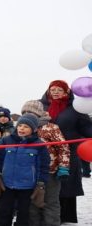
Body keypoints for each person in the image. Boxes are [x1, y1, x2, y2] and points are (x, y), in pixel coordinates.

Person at [40, 80, 92, 223]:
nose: (55, 92)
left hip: (68, 154)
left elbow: (87, 129)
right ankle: (44, 217)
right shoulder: (41, 106)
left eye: (59, 90)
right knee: (45, 186)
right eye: (53, 89)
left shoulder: (75, 108)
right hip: (44, 153)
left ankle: (65, 218)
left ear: (67, 92)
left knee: (66, 186)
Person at [0, 113, 50, 226]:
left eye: (26, 126)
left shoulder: (39, 145)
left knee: (24, 214)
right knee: (4, 211)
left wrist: (41, 183)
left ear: (33, 129)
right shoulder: (6, 140)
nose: (21, 128)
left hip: (27, 186)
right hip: (7, 184)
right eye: (20, 125)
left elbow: (43, 165)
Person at [21, 100, 70, 226]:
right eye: (24, 112)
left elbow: (63, 147)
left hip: (50, 172)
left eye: (30, 112)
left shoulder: (51, 128)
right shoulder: (23, 128)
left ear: (38, 114)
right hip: (29, 173)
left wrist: (63, 166)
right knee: (32, 202)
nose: (27, 114)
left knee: (50, 202)